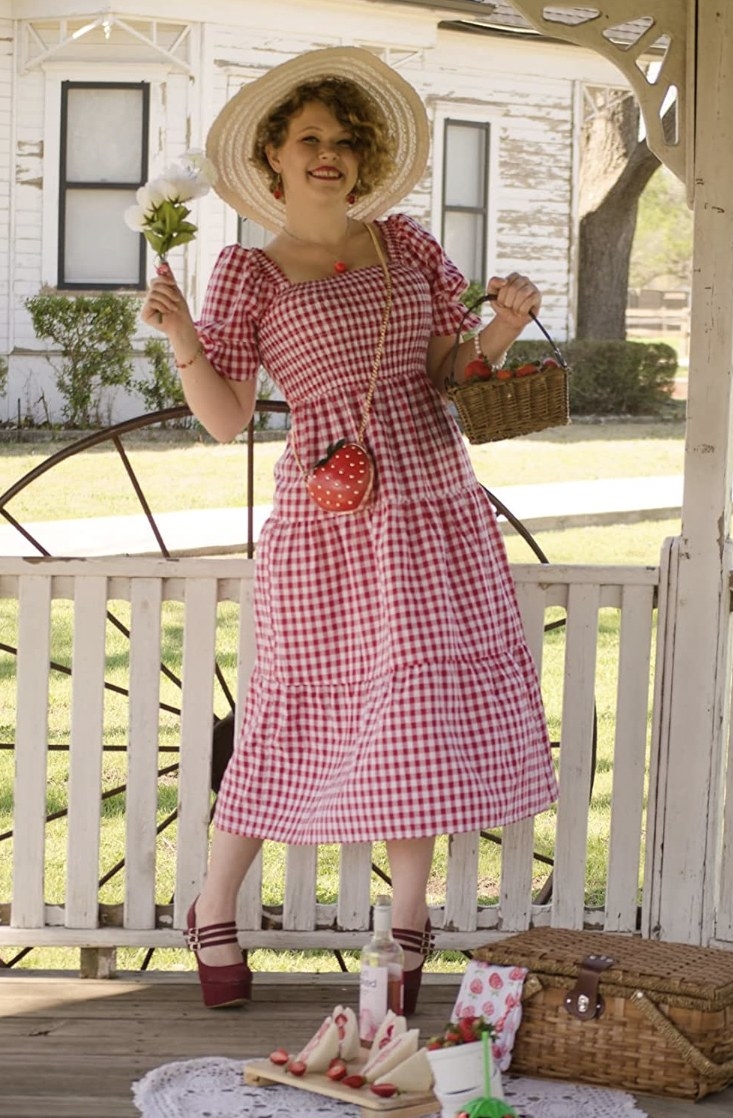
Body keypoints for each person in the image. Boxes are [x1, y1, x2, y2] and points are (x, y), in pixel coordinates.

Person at [140, 47, 558, 1012]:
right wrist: (181, 338)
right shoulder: (248, 271)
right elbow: (227, 416)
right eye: (308, 140)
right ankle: (211, 908)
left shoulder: (406, 246)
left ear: (361, 158)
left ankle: (405, 931)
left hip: (437, 506)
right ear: (276, 160)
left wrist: (504, 322)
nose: (328, 155)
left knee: (415, 712)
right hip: (332, 527)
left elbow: (456, 370)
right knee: (289, 719)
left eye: (342, 141)